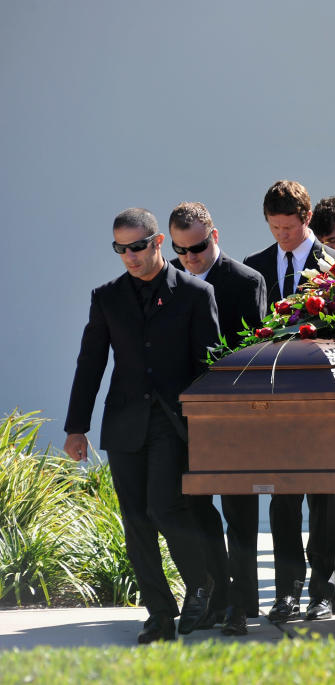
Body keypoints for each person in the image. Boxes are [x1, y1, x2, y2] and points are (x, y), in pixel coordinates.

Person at [64, 208, 220, 643]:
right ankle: (159, 614)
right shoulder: (107, 296)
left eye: (136, 246)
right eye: (120, 249)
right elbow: (90, 364)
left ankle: (200, 584)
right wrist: (77, 427)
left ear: (156, 243)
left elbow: (207, 367)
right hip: (125, 422)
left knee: (165, 508)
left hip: (173, 423)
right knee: (135, 519)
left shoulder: (194, 293)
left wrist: (207, 428)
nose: (129, 256)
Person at [243, 181, 335, 622]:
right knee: (281, 499)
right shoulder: (255, 269)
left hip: (325, 397)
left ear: (306, 219)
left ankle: (322, 592)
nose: (282, 236)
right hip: (275, 402)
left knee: (325, 498)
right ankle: (287, 591)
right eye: (274, 228)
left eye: (288, 227)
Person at [168, 202, 266, 636]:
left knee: (239, 511)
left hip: (232, 415)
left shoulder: (244, 282)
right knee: (193, 507)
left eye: (199, 247)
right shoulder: (167, 280)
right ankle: (216, 592)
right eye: (181, 249)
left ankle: (241, 605)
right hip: (182, 414)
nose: (190, 257)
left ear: (216, 235)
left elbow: (253, 352)